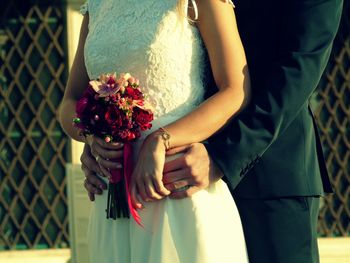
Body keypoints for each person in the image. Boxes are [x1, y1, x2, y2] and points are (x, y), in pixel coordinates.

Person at [82, 0, 344, 262]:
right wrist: (101, 134)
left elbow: (297, 73)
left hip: (268, 178)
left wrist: (221, 156)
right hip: (160, 175)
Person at [60, 0, 251, 262]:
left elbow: (235, 90)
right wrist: (92, 137)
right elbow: (70, 101)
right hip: (113, 189)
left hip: (175, 179)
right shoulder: (96, 5)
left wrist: (161, 140)